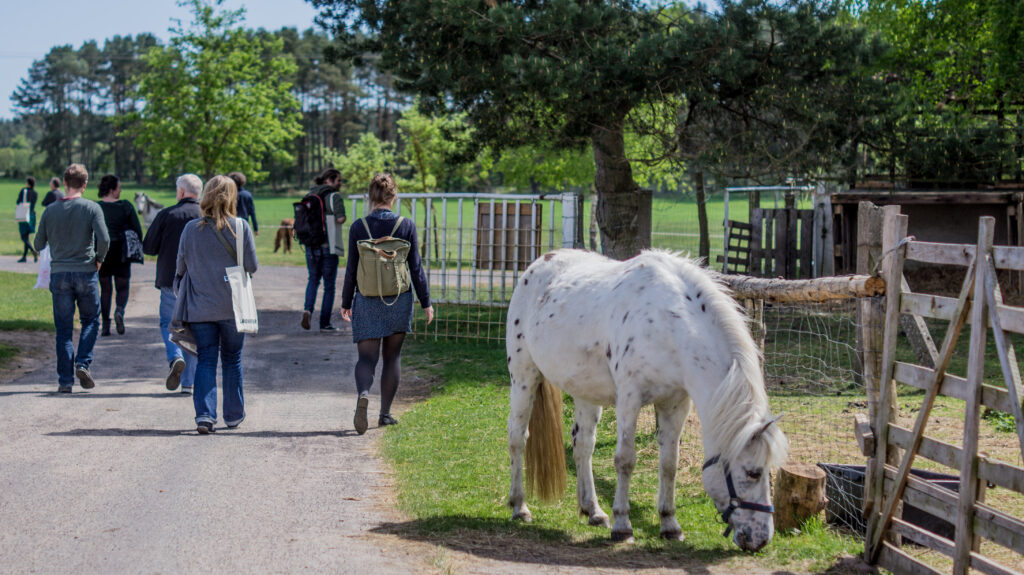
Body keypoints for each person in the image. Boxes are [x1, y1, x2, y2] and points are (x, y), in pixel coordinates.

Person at [341, 173, 432, 434]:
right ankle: (385, 414)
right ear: (394, 196)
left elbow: (351, 269)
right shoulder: (406, 226)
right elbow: (416, 268)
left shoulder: (359, 227)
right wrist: (426, 302)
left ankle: (363, 393)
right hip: (399, 300)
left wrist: (346, 302)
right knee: (392, 358)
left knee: (366, 358)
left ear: (370, 197)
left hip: (367, 300)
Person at [175, 175, 258, 434]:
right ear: (232, 198)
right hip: (233, 306)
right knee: (232, 360)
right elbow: (252, 266)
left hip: (200, 306)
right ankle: (233, 415)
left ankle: (205, 416)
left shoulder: (191, 229)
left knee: (206, 359)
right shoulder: (240, 227)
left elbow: (180, 267)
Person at [34, 164, 109, 393]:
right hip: (86, 271)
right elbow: (104, 239)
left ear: (64, 183)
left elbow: (38, 243)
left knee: (64, 329)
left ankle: (65, 381)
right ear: (85, 185)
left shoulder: (50, 211)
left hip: (59, 274)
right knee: (91, 320)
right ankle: (82, 363)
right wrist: (99, 259)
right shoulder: (92, 208)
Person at [142, 174, 202, 394]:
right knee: (194, 329)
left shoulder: (166, 214)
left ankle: (175, 356)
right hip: (201, 282)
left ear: (181, 191)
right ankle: (188, 383)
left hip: (171, 279)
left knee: (169, 323)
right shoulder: (207, 215)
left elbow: (148, 247)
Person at [301, 167, 347, 332]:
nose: (341, 183)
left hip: (311, 246)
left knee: (313, 280)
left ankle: (307, 310)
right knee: (329, 286)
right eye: (338, 180)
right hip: (328, 246)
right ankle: (325, 324)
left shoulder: (309, 195)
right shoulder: (334, 196)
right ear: (329, 180)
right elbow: (340, 218)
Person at [96, 175, 143, 337]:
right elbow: (137, 230)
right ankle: (120, 311)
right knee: (122, 286)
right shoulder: (125, 206)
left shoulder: (96, 207)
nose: (120, 190)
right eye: (119, 187)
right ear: (112, 189)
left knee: (105, 289)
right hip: (121, 251)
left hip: (102, 251)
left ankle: (105, 325)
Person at [16, 176, 38, 262]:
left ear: (28, 183)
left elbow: (18, 201)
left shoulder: (24, 191)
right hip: (32, 216)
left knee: (23, 237)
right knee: (27, 236)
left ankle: (33, 251)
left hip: (24, 215)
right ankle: (24, 257)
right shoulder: (35, 193)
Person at [229, 171, 258, 236]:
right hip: (244, 224)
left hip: (232, 225)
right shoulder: (248, 195)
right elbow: (252, 213)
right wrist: (255, 228)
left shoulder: (231, 195)